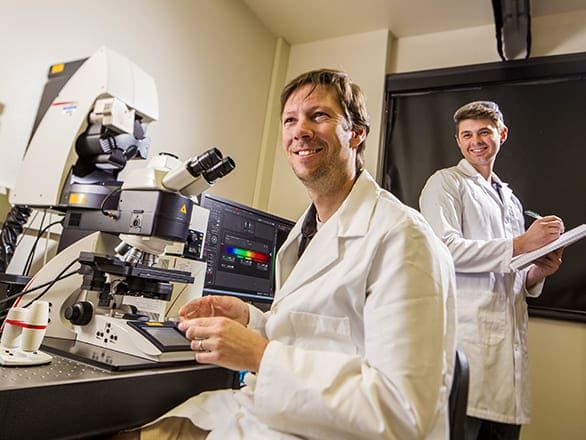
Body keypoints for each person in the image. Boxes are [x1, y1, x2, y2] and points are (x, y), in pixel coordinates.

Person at [119, 69, 457, 440]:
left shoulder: (404, 237)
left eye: (319, 115)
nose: (300, 131)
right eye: (290, 120)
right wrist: (252, 320)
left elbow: (404, 413)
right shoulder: (309, 231)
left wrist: (260, 355)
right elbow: (319, 335)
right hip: (270, 413)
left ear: (356, 133)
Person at [419, 101, 565, 440]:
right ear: (457, 141)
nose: (476, 141)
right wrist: (521, 244)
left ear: (502, 134)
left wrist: (537, 272)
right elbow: (443, 251)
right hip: (466, 348)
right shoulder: (446, 183)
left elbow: (509, 273)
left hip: (508, 360)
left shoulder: (510, 200)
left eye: (484, 132)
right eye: (466, 135)